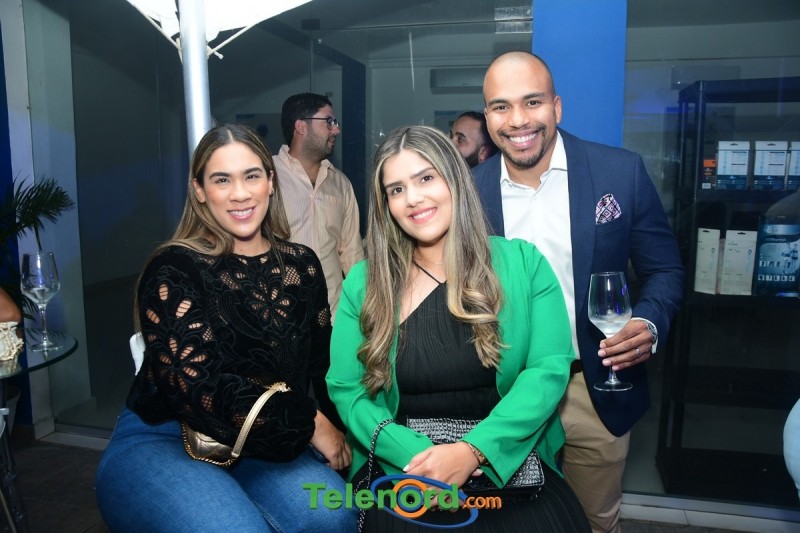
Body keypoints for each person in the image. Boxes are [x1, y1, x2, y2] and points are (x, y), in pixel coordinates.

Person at [327, 125, 590, 531]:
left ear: (455, 180)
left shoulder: (525, 264)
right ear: (385, 204)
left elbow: (548, 369)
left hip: (508, 462)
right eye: (396, 189)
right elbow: (348, 389)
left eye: (425, 178)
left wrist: (473, 451)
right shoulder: (364, 283)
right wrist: (418, 459)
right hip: (403, 467)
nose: (413, 199)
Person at [95, 124, 356, 532]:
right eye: (221, 180)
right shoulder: (176, 269)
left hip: (263, 438)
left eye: (251, 175)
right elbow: (200, 390)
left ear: (271, 182)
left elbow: (322, 367)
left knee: (334, 516)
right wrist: (310, 423)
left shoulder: (302, 265)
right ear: (199, 190)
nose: (240, 193)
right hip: (169, 436)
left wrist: (346, 433)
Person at [474, 51, 684, 533]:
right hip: (504, 394)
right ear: (487, 118)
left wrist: (648, 322)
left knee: (594, 523)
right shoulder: (468, 192)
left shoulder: (619, 173)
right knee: (510, 522)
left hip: (596, 387)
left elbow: (665, 269)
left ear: (557, 107)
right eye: (502, 106)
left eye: (532, 102)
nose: (518, 120)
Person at [274, 92, 364, 320]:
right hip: (281, 315)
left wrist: (365, 307)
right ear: (301, 126)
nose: (337, 129)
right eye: (329, 121)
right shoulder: (267, 177)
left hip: (335, 317)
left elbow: (352, 253)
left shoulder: (341, 183)